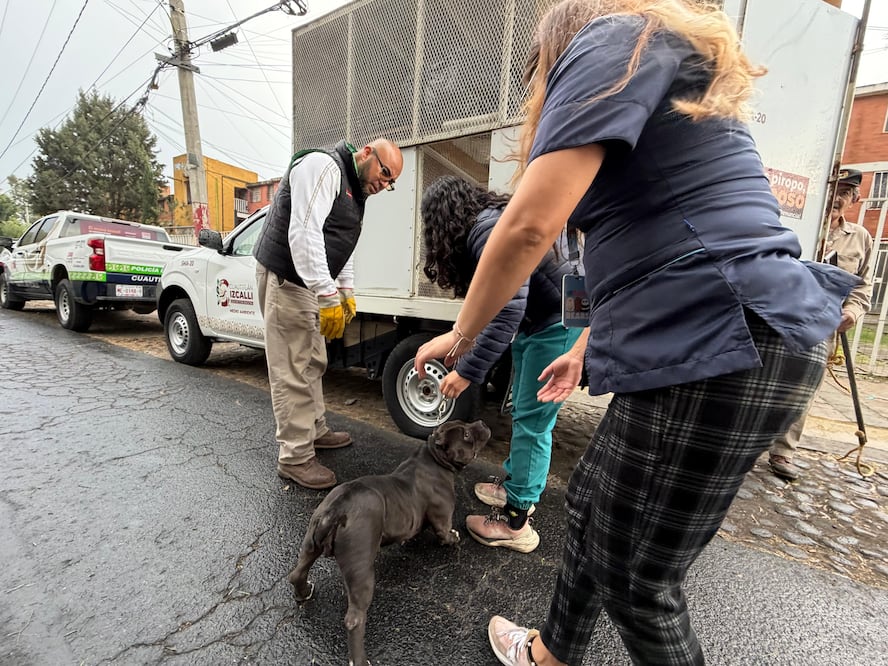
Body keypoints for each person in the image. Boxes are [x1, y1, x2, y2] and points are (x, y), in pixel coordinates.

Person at [412, 1, 859, 664]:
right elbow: (607, 258)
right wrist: (585, 346)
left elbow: (530, 232)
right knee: (590, 503)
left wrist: (459, 337)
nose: (541, 85)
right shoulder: (654, 72)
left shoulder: (616, 39)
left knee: (639, 582)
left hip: (719, 335)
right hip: (714, 335)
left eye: (538, 70)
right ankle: (550, 653)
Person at [420, 175, 584, 553]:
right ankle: (513, 484)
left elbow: (507, 309)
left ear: (442, 222)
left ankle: (516, 522)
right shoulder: (493, 218)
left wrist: (467, 372)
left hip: (556, 323)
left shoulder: (485, 231)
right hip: (554, 316)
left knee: (533, 422)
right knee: (525, 413)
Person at [253, 138, 403, 490]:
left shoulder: (355, 191)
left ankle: (314, 429)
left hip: (308, 281)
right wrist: (326, 291)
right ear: (367, 153)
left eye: (390, 182)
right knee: (292, 367)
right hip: (287, 277)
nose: (384, 185)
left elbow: (340, 242)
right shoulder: (322, 167)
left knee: (314, 358)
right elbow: (303, 233)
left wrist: (345, 289)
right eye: (384, 174)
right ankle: (295, 456)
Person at [769, 188, 874, 480]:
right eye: (837, 189)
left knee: (803, 388)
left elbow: (863, 285)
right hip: (779, 310)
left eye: (848, 193)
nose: (839, 198)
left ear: (855, 200)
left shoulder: (860, 237)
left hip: (822, 321)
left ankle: (783, 451)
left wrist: (853, 310)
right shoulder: (799, 221)